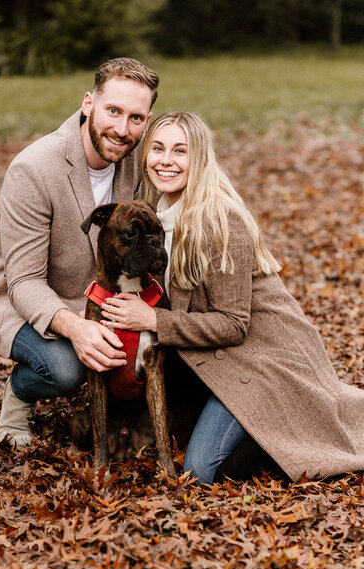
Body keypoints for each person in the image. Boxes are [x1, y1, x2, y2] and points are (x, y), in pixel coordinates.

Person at [99, 110, 364, 484]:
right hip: (215, 358)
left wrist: (153, 321)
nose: (166, 160)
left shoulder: (221, 222)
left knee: (202, 472)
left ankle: (284, 428)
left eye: (180, 151)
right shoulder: (153, 217)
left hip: (262, 361)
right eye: (157, 148)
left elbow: (234, 324)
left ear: (200, 159)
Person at [0, 57, 159, 449]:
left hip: (108, 299)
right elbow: (23, 281)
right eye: (113, 111)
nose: (122, 129)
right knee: (65, 369)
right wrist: (77, 327)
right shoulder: (34, 170)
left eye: (136, 118)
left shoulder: (145, 159)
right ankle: (20, 394)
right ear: (88, 104)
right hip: (29, 302)